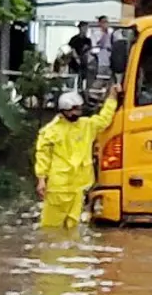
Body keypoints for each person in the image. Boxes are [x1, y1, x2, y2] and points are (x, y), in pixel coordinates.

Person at [35, 86, 120, 229]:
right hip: (58, 186)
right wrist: (41, 180)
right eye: (75, 109)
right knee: (51, 226)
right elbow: (43, 156)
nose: (78, 112)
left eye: (79, 109)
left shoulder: (86, 125)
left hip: (79, 186)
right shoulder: (50, 131)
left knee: (73, 225)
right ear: (65, 110)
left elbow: (104, 119)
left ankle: (71, 251)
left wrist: (112, 97)